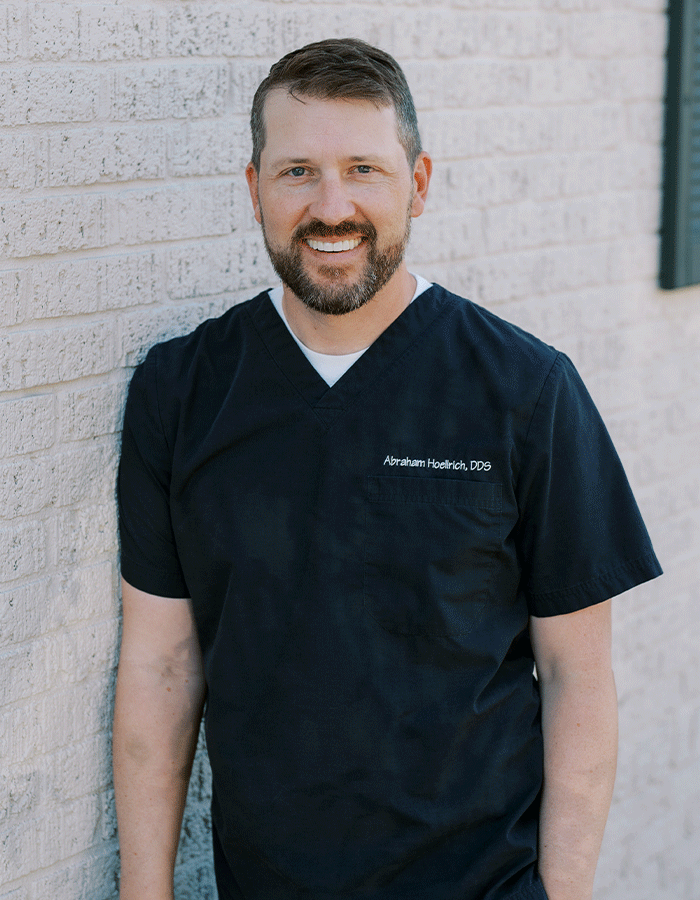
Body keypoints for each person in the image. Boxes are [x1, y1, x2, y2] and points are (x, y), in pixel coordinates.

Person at [114, 38, 662, 900]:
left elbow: (576, 675)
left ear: (419, 182)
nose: (332, 206)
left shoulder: (525, 390)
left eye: (364, 168)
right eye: (298, 172)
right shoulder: (181, 393)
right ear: (254, 188)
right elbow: (160, 667)